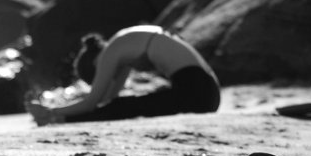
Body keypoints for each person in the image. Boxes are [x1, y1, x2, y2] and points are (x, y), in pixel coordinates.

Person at [27, 25, 220, 125]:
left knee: (126, 107)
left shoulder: (111, 51)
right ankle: (58, 118)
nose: (107, 75)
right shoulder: (125, 44)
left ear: (95, 63)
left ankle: (58, 121)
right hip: (208, 90)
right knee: (123, 106)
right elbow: (109, 99)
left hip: (198, 93)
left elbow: (93, 102)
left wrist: (53, 112)